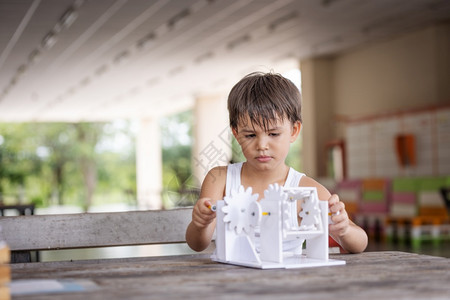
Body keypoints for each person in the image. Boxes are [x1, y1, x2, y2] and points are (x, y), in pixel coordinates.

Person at [185, 72, 368, 254]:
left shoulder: (308, 190)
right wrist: (201, 224)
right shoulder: (219, 180)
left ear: (294, 131)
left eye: (273, 134)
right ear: (236, 133)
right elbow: (197, 244)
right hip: (232, 280)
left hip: (288, 281)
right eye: (250, 135)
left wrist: (344, 230)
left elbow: (360, 243)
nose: (262, 145)